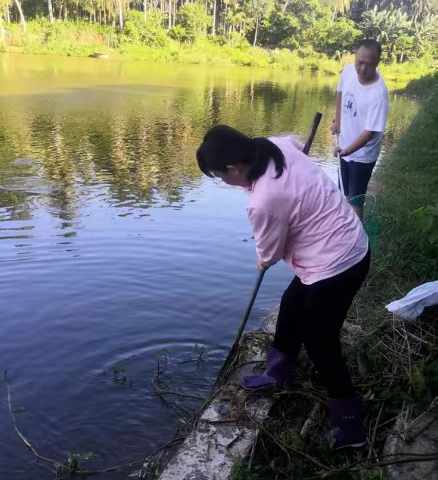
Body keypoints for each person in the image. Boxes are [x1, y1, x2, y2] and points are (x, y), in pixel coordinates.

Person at [197, 126, 371, 450]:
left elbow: (271, 252)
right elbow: (294, 145)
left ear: (233, 169)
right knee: (292, 304)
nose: (225, 182)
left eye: (221, 176)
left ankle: (350, 430)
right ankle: (278, 373)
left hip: (338, 263)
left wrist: (262, 260)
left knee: (321, 344)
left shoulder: (262, 200)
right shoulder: (274, 146)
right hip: (342, 243)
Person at [332, 39, 389, 218]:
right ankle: (344, 232)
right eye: (360, 62)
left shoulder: (378, 93)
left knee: (355, 199)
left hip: (363, 155)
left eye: (369, 64)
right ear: (355, 57)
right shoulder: (348, 71)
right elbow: (340, 93)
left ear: (378, 64)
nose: (362, 68)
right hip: (345, 147)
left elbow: (369, 133)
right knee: (343, 195)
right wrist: (338, 122)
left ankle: (357, 239)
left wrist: (347, 151)